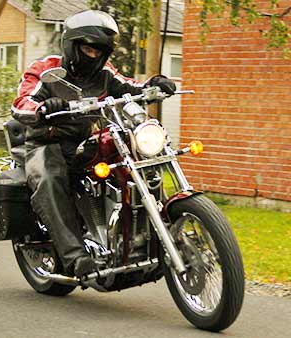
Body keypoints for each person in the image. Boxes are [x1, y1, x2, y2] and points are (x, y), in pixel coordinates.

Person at [10, 10, 176, 279]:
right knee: (50, 177)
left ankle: (143, 237)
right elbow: (22, 103)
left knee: (131, 159)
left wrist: (153, 84)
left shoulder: (105, 74)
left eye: (100, 50)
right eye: (88, 48)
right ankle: (75, 256)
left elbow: (129, 86)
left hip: (87, 142)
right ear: (72, 45)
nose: (94, 55)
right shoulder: (46, 70)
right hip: (47, 143)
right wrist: (43, 107)